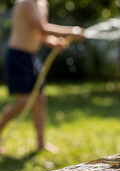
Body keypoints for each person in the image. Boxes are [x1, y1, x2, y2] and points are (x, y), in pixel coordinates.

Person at [0, 0, 85, 154]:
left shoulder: (42, 3)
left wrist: (53, 42)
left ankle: (40, 143)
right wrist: (71, 31)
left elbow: (39, 33)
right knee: (24, 101)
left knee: (39, 99)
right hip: (18, 56)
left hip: (32, 57)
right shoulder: (26, 3)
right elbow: (41, 27)